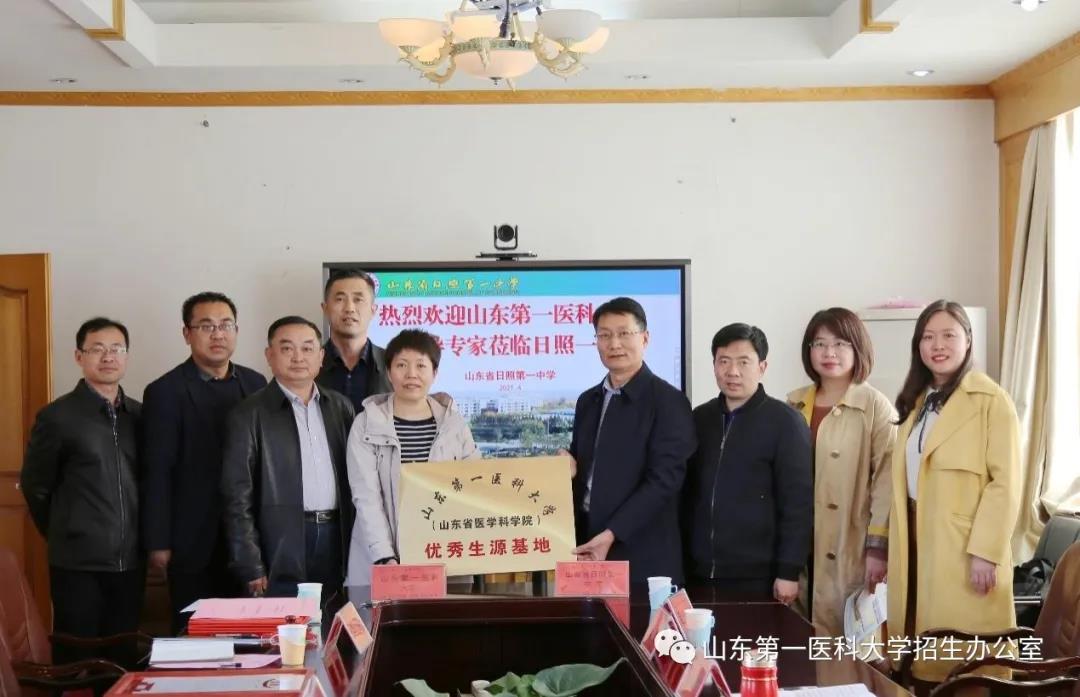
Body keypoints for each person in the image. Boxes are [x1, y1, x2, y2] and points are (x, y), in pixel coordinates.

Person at [887, 300, 1021, 686]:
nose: (937, 345)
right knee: (918, 638)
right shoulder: (917, 401)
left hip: (964, 544)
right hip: (914, 535)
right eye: (928, 337)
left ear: (968, 340)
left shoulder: (991, 400)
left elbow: (1006, 481)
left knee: (963, 657)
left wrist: (985, 551)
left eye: (948, 335)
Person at [141, 292, 266, 634]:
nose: (218, 334)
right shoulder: (165, 391)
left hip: (247, 537)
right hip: (192, 538)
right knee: (194, 634)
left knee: (249, 633)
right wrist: (158, 541)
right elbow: (157, 470)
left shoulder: (256, 384)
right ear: (187, 333)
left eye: (226, 325)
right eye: (206, 326)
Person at [20, 318, 143, 662]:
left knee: (122, 656)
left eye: (117, 349)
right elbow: (35, 486)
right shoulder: (58, 417)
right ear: (79, 356)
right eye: (97, 349)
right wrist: (65, 528)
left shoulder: (139, 415)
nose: (108, 357)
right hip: (77, 561)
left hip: (131, 560)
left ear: (126, 356)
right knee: (76, 656)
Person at [221, 316, 355, 598]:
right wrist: (250, 562)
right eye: (286, 348)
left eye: (307, 348)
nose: (298, 357)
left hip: (337, 535)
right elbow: (237, 497)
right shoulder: (248, 414)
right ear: (269, 355)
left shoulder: (340, 407)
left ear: (321, 357)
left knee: (332, 617)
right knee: (284, 622)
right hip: (280, 543)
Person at [569, 297, 695, 583]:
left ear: (645, 338)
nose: (614, 344)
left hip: (643, 552)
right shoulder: (588, 401)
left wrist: (612, 533)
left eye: (624, 333)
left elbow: (664, 481)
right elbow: (586, 471)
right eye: (604, 335)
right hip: (588, 546)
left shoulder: (669, 402)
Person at [786, 308, 896, 637]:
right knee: (796, 645)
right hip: (800, 546)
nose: (829, 352)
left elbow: (887, 482)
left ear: (857, 347)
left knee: (847, 647)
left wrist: (877, 548)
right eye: (819, 344)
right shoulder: (794, 404)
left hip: (851, 544)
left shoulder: (875, 406)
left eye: (840, 343)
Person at [683, 323, 812, 603]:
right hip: (698, 571)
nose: (733, 372)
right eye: (724, 361)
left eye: (744, 362)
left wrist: (788, 571)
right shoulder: (699, 418)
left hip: (758, 575)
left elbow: (798, 503)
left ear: (762, 367)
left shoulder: (786, 422)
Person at [345, 329, 480, 584]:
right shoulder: (366, 424)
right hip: (383, 561)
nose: (411, 374)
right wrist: (385, 557)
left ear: (434, 373)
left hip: (446, 557)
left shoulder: (454, 424)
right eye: (402, 365)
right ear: (388, 372)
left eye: (421, 365)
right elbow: (366, 496)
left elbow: (476, 484)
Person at [318, 269, 392, 413]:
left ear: (373, 310)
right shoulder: (307, 365)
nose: (349, 308)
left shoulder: (392, 364)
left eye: (358, 300)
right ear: (325, 309)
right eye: (340, 299)